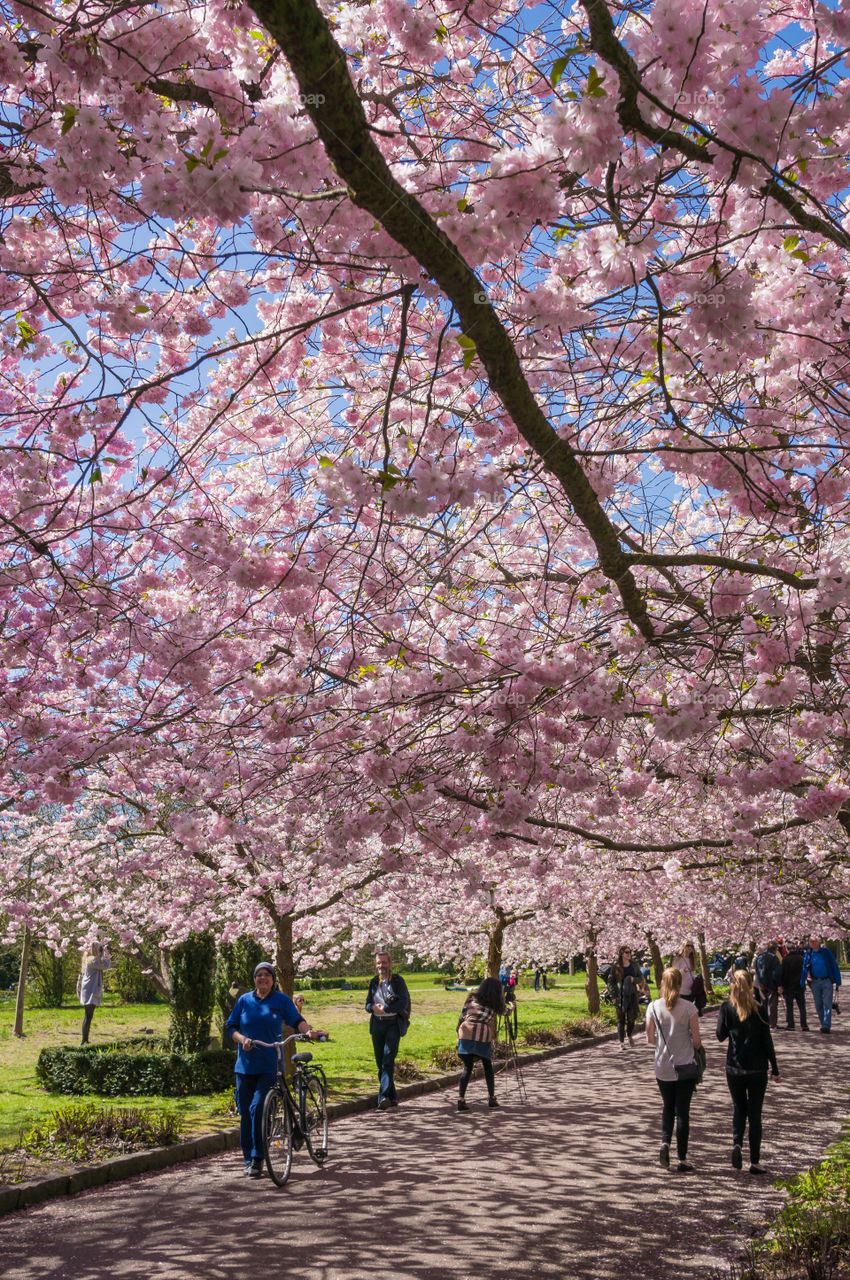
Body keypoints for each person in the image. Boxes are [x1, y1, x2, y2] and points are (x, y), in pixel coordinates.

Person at [225, 961, 325, 1178]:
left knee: (257, 1108)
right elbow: (230, 1027)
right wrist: (242, 1039)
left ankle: (258, 1158)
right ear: (254, 979)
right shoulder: (244, 1001)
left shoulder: (280, 1000)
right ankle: (248, 1158)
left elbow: (297, 1020)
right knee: (245, 1114)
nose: (263, 978)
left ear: (273, 979)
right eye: (258, 975)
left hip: (269, 1064)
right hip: (244, 1066)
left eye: (267, 975)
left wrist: (307, 1032)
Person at [717, 970, 779, 1174]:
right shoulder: (759, 1010)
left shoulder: (727, 1008)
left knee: (738, 1108)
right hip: (757, 1068)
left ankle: (737, 1144)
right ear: (751, 985)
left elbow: (720, 1035)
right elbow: (766, 1041)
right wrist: (775, 1068)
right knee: (755, 1114)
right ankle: (755, 1161)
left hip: (734, 1067)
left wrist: (729, 1022)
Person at [645, 967, 702, 1173]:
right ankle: (683, 1158)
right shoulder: (689, 1008)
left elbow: (649, 1039)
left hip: (662, 1066)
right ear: (680, 984)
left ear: (662, 983)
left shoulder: (652, 1007)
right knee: (683, 1112)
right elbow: (696, 1041)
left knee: (668, 1107)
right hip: (685, 1064)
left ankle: (664, 1142)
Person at [365, 951, 411, 1111]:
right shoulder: (373, 982)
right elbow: (367, 1004)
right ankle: (392, 1096)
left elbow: (403, 1002)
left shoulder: (397, 981)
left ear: (390, 964)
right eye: (379, 963)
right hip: (377, 1025)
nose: (381, 966)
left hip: (393, 1024)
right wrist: (373, 1008)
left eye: (384, 963)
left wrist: (386, 1008)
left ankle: (383, 1097)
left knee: (387, 1060)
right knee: (380, 1063)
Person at [456, 977, 505, 1111]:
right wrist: (512, 1005)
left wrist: (458, 1035)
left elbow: (462, 1016)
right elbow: (506, 1012)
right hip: (482, 1035)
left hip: (465, 1032)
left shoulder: (471, 999)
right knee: (487, 1067)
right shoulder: (494, 1003)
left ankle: (461, 1099)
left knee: (467, 1068)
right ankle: (492, 1098)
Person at [607, 945, 648, 1049]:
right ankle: (621, 1042)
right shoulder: (616, 967)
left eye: (630, 952)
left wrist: (634, 980)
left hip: (633, 995)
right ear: (621, 953)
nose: (629, 954)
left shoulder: (634, 965)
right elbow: (610, 982)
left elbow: (641, 978)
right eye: (627, 952)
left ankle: (629, 1035)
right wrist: (613, 996)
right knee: (621, 1019)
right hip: (620, 996)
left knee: (631, 1018)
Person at [801, 934, 842, 1033]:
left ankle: (826, 1025)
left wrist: (837, 980)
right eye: (811, 941)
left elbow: (834, 965)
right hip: (815, 982)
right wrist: (802, 981)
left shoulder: (826, 952)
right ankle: (823, 1022)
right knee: (818, 1004)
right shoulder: (808, 954)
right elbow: (804, 968)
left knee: (827, 1003)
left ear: (819, 942)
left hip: (827, 981)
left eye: (815, 941)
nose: (813, 943)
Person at [77, 942, 111, 1045]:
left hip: (88, 990)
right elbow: (106, 965)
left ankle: (85, 1040)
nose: (101, 952)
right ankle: (84, 1040)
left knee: (88, 1016)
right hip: (90, 990)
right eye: (100, 949)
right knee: (88, 1016)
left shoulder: (89, 959)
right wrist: (107, 953)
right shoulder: (93, 960)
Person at [779, 941, 808, 1031]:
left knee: (790, 1006)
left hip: (789, 987)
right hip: (799, 985)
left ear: (787, 949)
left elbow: (783, 974)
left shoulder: (786, 959)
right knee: (802, 1006)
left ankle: (791, 1024)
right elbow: (804, 972)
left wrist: (782, 985)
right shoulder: (801, 958)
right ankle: (804, 1025)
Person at [754, 942, 782, 1029]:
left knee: (763, 1004)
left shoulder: (759, 957)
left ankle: (764, 1022)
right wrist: (779, 984)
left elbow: (757, 970)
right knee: (773, 1005)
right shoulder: (774, 958)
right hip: (772, 984)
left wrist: (759, 982)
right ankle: (772, 1024)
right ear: (775, 949)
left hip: (762, 984)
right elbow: (777, 973)